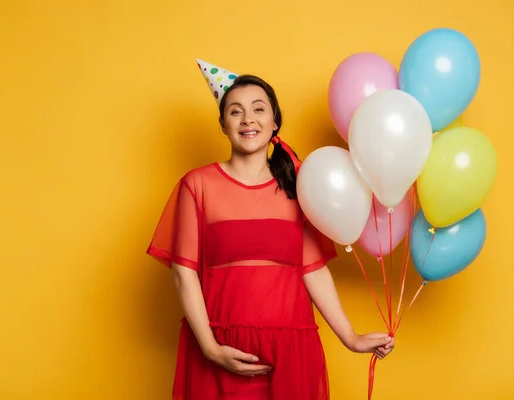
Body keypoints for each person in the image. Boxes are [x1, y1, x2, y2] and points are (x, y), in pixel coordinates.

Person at [146, 73, 395, 400]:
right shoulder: (198, 185)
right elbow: (184, 272)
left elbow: (313, 269)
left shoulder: (300, 186)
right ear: (222, 124)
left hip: (290, 352)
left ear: (275, 122)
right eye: (235, 111)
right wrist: (210, 348)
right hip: (220, 346)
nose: (248, 119)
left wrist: (351, 337)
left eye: (258, 109)